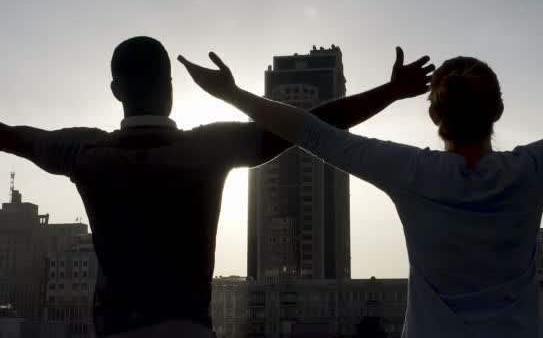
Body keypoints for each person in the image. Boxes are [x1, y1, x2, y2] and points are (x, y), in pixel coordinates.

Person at [0, 36, 432, 337]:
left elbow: (10, 135)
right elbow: (313, 126)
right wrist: (391, 91)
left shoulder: (83, 152)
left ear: (116, 90)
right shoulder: (211, 147)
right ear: (170, 86)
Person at [179, 51, 543, 338]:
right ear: (497, 110)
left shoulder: (411, 172)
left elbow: (312, 134)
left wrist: (230, 94)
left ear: (435, 113)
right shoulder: (532, 171)